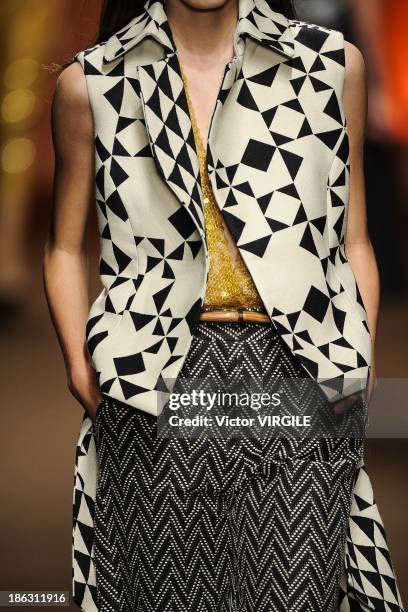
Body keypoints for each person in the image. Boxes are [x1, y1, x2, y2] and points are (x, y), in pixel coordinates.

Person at [43, 0, 404, 610]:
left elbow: (354, 237)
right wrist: (83, 369)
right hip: (157, 378)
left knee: (298, 595)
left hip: (295, 365)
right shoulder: (94, 82)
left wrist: (355, 361)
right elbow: (62, 245)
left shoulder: (329, 65)